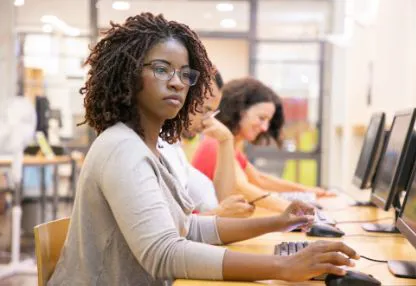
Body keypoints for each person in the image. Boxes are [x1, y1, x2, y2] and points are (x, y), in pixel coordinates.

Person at [48, 13, 359, 285]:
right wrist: (283, 266)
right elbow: (164, 252)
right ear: (128, 74)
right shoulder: (122, 149)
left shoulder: (153, 146)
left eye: (185, 73)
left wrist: (279, 222)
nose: (177, 83)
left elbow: (188, 228)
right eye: (161, 69)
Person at [192, 77, 333, 213]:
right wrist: (291, 208)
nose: (265, 128)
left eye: (268, 121)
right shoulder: (215, 144)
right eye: (261, 118)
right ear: (240, 111)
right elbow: (241, 187)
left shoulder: (231, 146)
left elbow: (260, 179)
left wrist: (309, 191)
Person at [159, 69, 254, 217]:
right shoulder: (155, 147)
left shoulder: (174, 148)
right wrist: (220, 213)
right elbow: (165, 228)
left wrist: (226, 141)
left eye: (212, 113)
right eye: (205, 110)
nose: (208, 121)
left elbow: (218, 201)